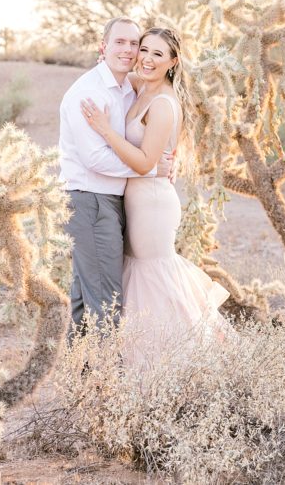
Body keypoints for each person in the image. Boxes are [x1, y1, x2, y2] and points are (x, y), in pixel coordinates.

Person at [80, 26, 231, 360]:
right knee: (137, 278)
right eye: (143, 49)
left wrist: (105, 130)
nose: (146, 59)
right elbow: (117, 72)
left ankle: (174, 366)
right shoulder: (141, 86)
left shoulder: (162, 103)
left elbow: (146, 160)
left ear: (173, 61)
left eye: (157, 54)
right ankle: (139, 369)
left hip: (152, 205)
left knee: (151, 279)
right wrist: (107, 57)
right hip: (135, 198)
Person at [58, 16, 172, 338]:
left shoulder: (126, 88)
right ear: (103, 47)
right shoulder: (89, 93)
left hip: (113, 202)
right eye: (120, 42)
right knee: (106, 303)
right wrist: (149, 169)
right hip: (90, 200)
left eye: (134, 44)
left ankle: (78, 380)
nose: (129, 50)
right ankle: (107, 384)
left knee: (85, 300)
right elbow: (94, 159)